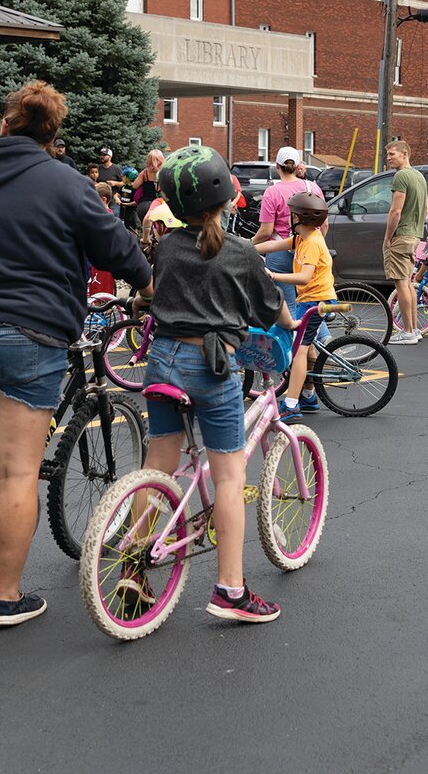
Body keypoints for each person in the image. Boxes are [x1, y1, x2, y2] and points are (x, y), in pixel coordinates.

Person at [0, 80, 151, 628]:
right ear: (53, 136)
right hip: (26, 335)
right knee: (17, 472)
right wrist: (148, 285)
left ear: (5, 125)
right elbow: (116, 246)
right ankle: (6, 597)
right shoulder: (67, 182)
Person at [137, 145, 296, 624]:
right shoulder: (241, 253)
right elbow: (272, 311)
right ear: (226, 198)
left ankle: (133, 565)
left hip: (162, 362)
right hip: (211, 368)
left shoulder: (165, 246)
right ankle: (231, 589)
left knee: (157, 467)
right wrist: (292, 324)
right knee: (229, 477)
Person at [256, 190, 334, 419]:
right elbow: (272, 246)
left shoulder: (312, 242)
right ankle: (308, 396)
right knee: (301, 344)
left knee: (299, 350)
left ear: (300, 218)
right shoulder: (302, 238)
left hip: (314, 300)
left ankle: (291, 405)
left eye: (291, 214)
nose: (289, 217)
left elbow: (304, 278)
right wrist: (242, 249)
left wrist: (273, 276)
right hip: (308, 299)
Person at [252, 146, 323, 308]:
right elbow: (323, 224)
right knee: (310, 303)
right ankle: (324, 335)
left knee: (288, 305)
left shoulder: (272, 192)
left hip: (280, 251)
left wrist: (250, 242)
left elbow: (266, 232)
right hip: (309, 249)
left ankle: (291, 334)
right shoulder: (312, 188)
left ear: (277, 167)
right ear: (298, 166)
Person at [383, 140, 428, 345]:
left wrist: (387, 237)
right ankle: (414, 329)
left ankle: (408, 331)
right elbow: (426, 208)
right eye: (388, 154)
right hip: (415, 234)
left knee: (401, 283)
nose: (389, 157)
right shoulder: (419, 176)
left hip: (402, 234)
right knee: (408, 282)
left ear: (404, 154)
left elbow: (396, 210)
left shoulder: (401, 176)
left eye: (392, 154)